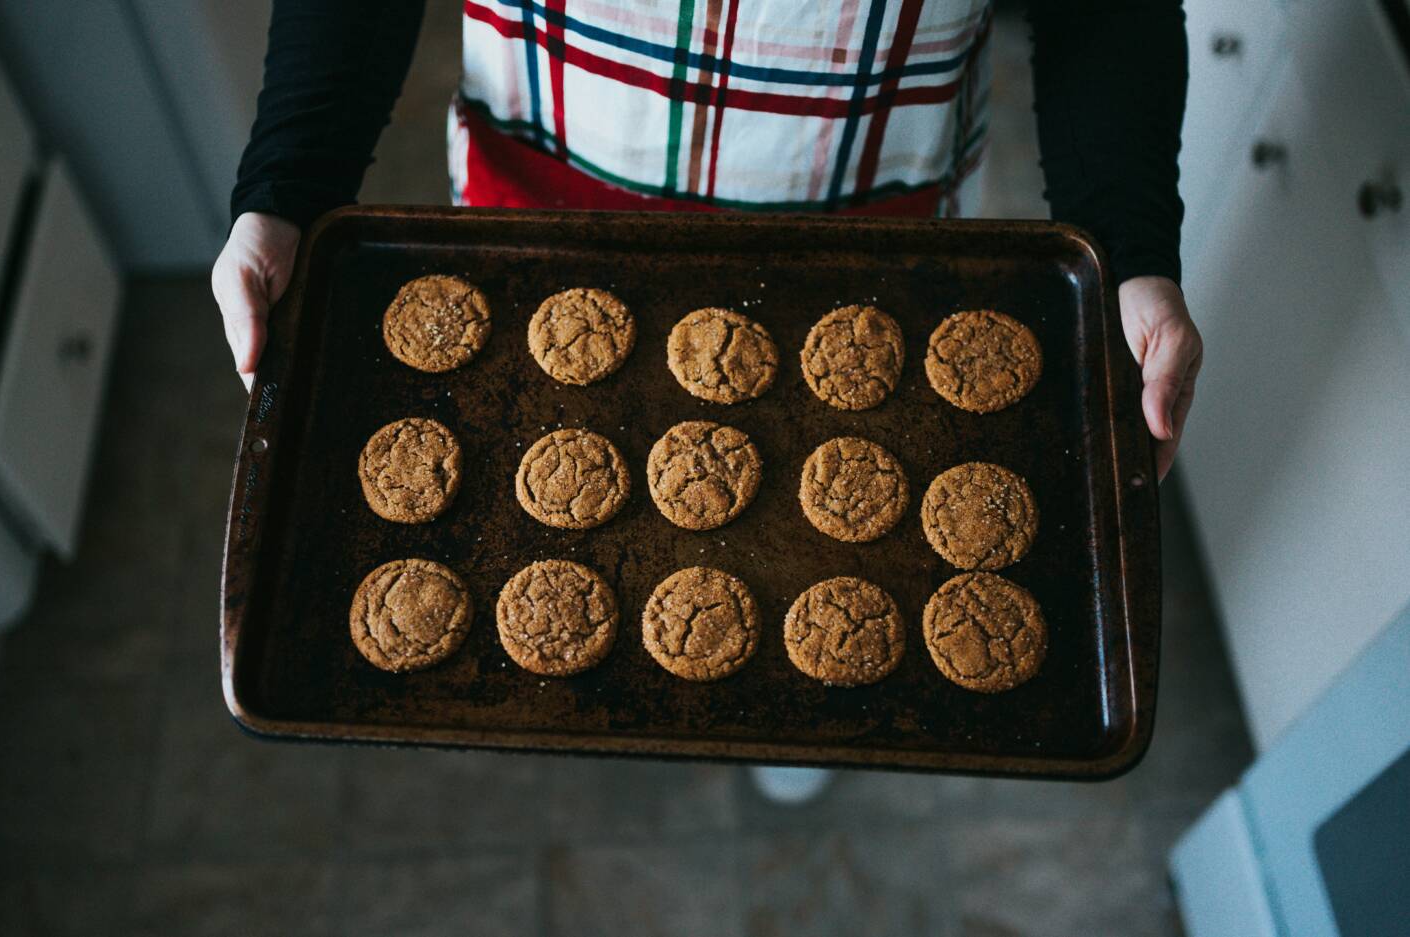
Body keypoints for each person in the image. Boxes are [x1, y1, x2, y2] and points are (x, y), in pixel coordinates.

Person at [213, 0, 1201, 801]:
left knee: (812, 590)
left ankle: (798, 706)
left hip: (869, 251)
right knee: (552, 515)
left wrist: (1131, 245)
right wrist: (288, 185)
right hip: (538, 229)